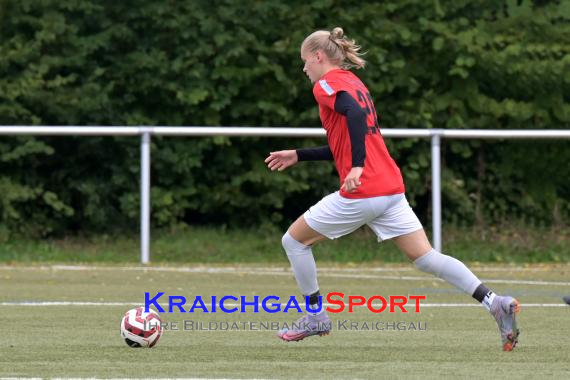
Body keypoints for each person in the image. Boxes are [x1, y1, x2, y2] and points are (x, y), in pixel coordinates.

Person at [265, 27, 521, 351]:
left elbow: (355, 117)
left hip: (365, 190)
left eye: (305, 61)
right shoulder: (355, 82)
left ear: (318, 56)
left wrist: (356, 166)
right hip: (389, 188)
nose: (304, 69)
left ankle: (315, 316)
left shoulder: (326, 84)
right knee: (426, 257)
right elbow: (349, 138)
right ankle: (494, 302)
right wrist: (300, 155)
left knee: (294, 241)